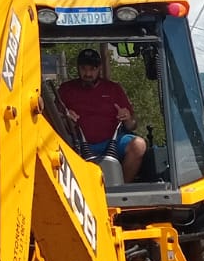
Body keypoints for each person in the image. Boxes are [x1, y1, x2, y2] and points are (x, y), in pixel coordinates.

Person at [57, 48, 147, 181]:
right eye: (83, 69)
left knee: (139, 145)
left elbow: (132, 125)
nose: (88, 73)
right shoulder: (65, 90)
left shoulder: (113, 89)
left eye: (92, 69)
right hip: (77, 144)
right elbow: (53, 121)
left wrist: (127, 118)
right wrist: (65, 117)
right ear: (78, 68)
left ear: (99, 68)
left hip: (112, 142)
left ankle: (122, 188)